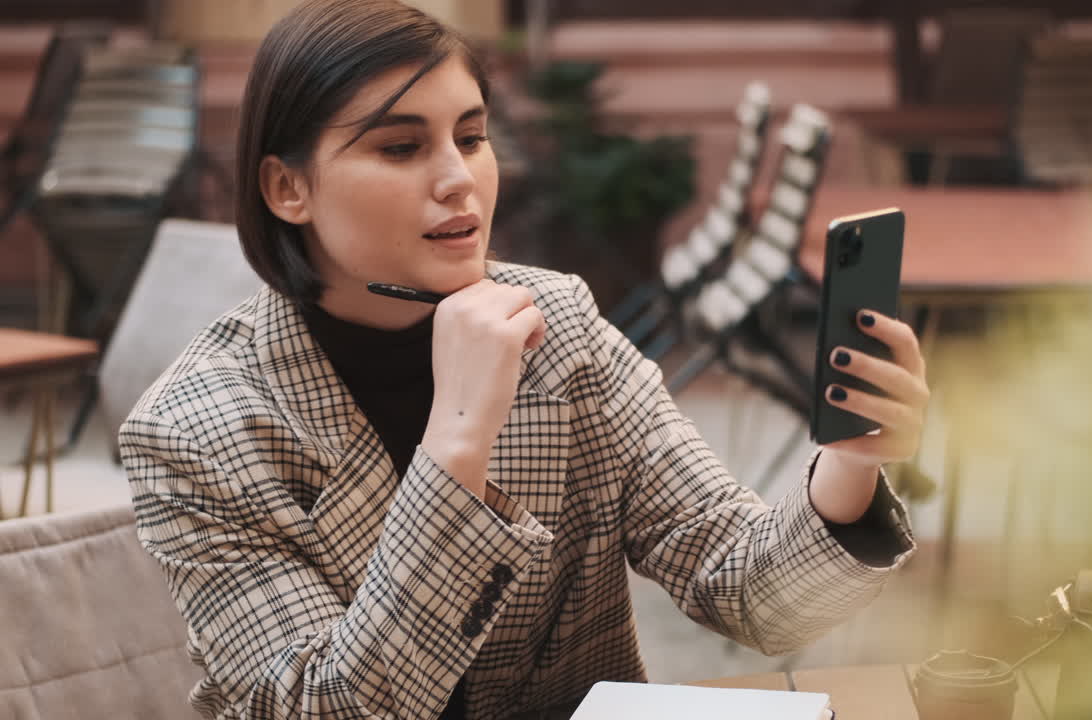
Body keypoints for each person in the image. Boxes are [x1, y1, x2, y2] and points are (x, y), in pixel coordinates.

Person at [120, 1, 929, 718]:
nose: (457, 180)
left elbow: (754, 596)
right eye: (401, 148)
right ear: (286, 188)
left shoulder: (559, 326)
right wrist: (458, 440)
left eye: (472, 138)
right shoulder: (196, 429)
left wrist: (847, 462)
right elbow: (327, 709)